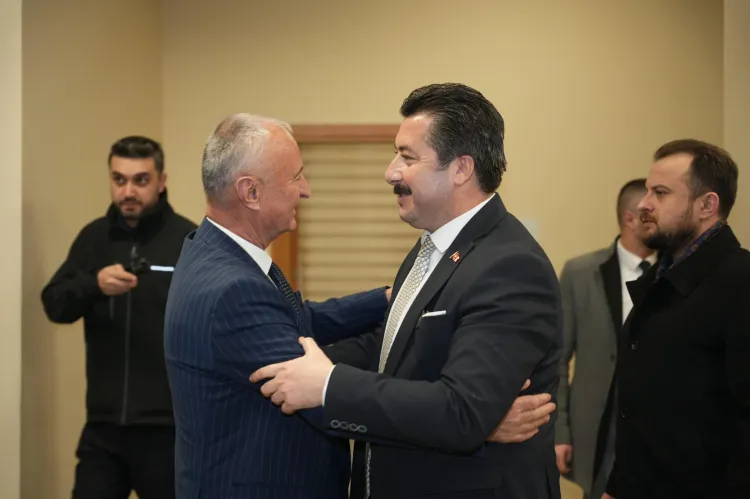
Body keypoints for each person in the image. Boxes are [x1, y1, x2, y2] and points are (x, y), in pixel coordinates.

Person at [164, 112, 557, 499]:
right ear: (250, 192)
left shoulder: (503, 264)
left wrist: (467, 415)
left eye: (407, 157)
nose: (306, 190)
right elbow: (310, 382)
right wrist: (475, 423)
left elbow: (316, 331)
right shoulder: (232, 286)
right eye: (296, 177)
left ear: (461, 169)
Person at [41, 136, 197, 499]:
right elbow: (54, 304)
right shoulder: (93, 239)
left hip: (167, 431)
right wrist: (93, 284)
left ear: (161, 181)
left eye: (141, 180)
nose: (129, 191)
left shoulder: (188, 241)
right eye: (119, 179)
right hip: (104, 428)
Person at [603, 139, 750, 499]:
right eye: (647, 191)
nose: (643, 204)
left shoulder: (741, 282)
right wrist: (618, 487)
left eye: (661, 193)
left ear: (706, 205)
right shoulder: (660, 278)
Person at [555, 179, 656, 499]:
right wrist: (560, 431)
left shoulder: (673, 275)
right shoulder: (580, 273)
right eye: (650, 212)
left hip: (653, 434)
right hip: (596, 431)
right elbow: (556, 359)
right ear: (630, 219)